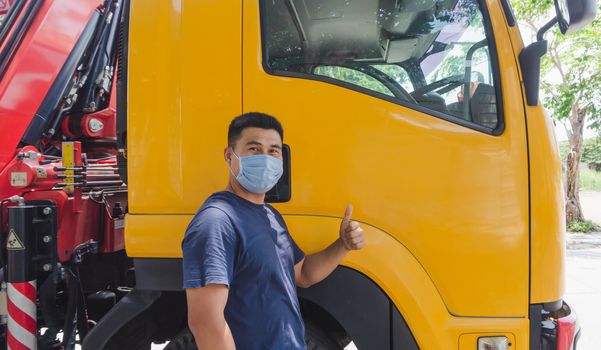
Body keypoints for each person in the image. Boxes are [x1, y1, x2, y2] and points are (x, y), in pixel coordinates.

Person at [182, 112, 366, 350]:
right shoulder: (216, 221)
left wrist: (343, 245)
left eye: (274, 151)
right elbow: (206, 323)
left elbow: (303, 274)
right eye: (254, 149)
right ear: (229, 155)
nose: (266, 159)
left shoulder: (270, 216)